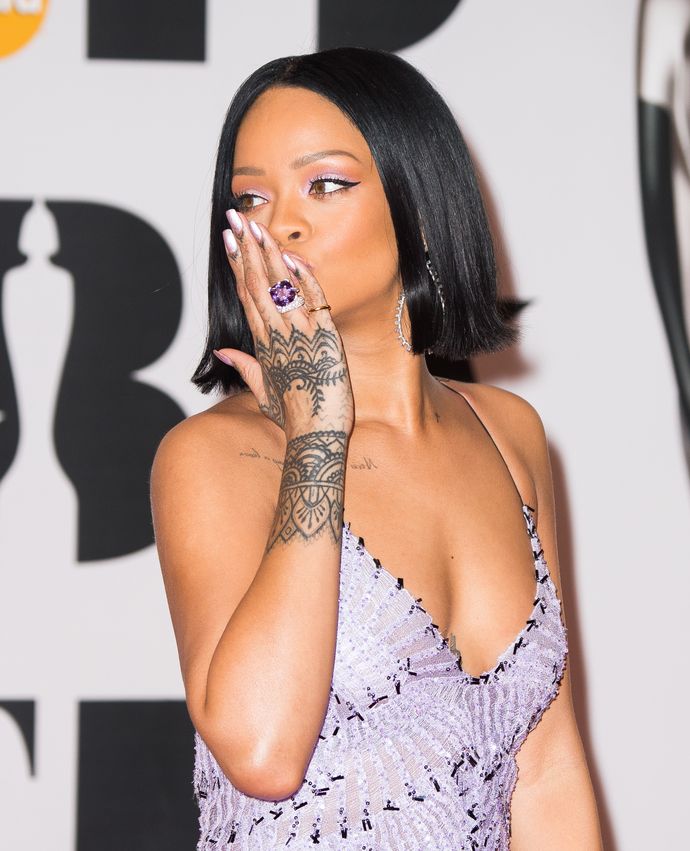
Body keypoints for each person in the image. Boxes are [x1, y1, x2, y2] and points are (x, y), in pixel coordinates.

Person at [150, 47, 603, 850]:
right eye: (251, 197)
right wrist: (316, 434)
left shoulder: (510, 433)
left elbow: (548, 766)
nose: (281, 224)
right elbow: (262, 752)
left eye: (325, 184)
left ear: (419, 208)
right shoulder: (215, 455)